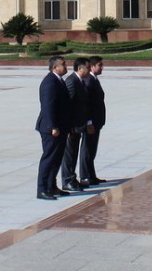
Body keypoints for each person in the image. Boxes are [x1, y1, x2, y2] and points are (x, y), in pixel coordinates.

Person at [34, 55, 71, 200]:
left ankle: (51, 186)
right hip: (51, 128)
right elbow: (48, 106)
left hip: (60, 127)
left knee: (57, 158)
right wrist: (53, 126)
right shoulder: (50, 82)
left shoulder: (58, 81)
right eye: (63, 64)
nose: (66, 66)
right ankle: (42, 189)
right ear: (55, 67)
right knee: (49, 158)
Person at [60, 57, 92, 192]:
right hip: (71, 126)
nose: (90, 70)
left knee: (74, 153)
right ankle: (67, 180)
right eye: (88, 68)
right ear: (80, 68)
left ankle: (72, 179)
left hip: (78, 125)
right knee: (69, 154)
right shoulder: (72, 82)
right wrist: (66, 126)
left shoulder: (80, 82)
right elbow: (67, 106)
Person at [80, 56, 107, 185]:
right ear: (92, 66)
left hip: (97, 122)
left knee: (92, 149)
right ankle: (85, 176)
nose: (102, 68)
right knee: (87, 149)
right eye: (100, 65)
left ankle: (91, 175)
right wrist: (89, 122)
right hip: (91, 123)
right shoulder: (89, 81)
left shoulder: (94, 80)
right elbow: (87, 104)